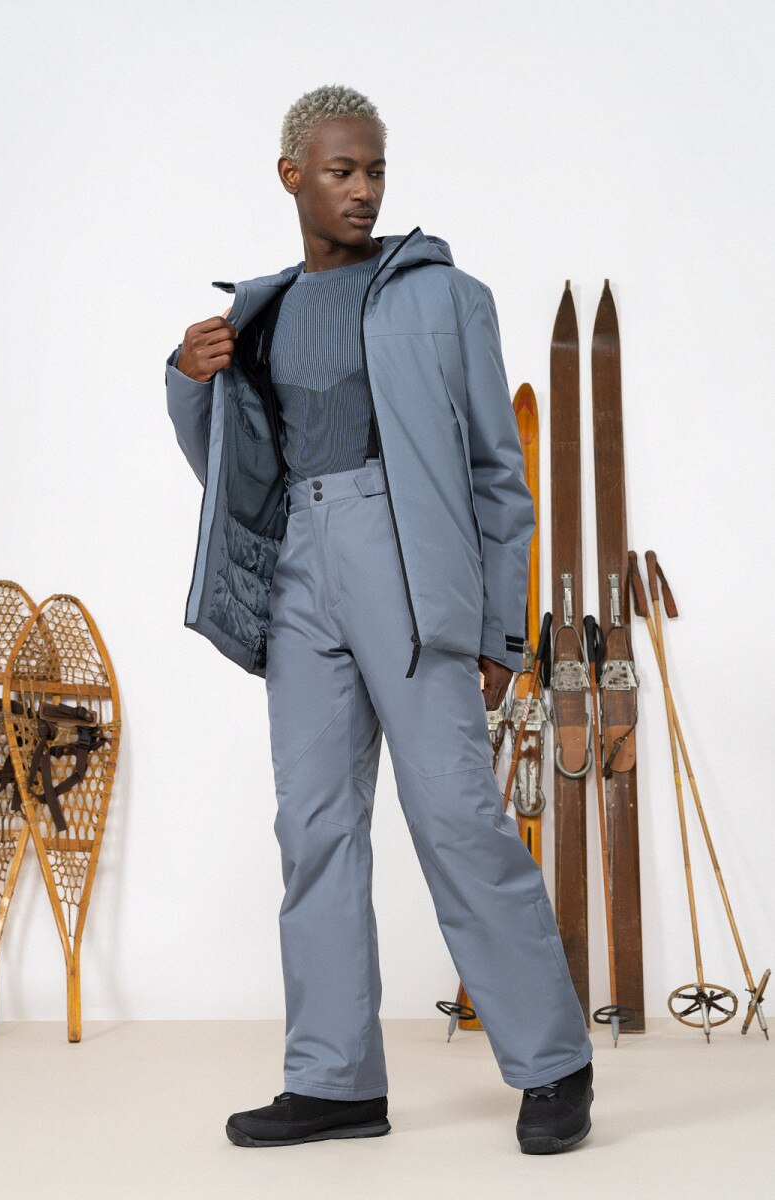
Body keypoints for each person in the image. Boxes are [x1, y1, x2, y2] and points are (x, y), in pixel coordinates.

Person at [165, 83, 594, 1155]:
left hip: (407, 566)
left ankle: (554, 1062)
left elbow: (498, 472)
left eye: (375, 171)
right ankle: (335, 1080)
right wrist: (187, 381)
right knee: (313, 827)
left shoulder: (445, 295)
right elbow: (233, 475)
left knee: (456, 816)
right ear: (292, 176)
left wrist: (501, 628)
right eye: (342, 171)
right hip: (298, 573)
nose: (363, 190)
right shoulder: (259, 314)